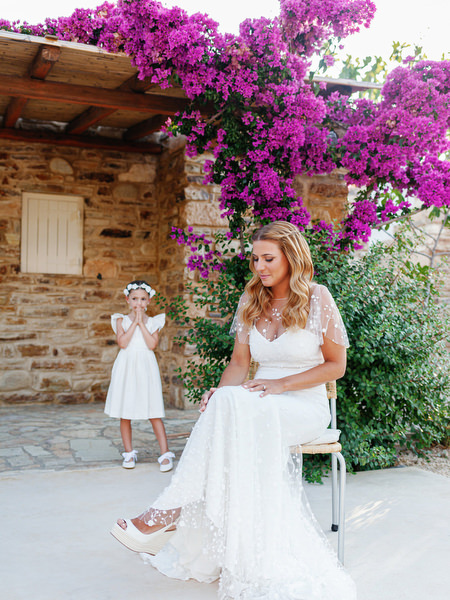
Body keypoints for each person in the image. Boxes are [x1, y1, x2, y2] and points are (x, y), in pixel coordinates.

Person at [110, 223, 356, 599]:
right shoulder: (251, 299)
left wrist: (280, 385)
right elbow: (239, 365)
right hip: (255, 399)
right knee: (222, 403)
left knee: (231, 408)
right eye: (255, 258)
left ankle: (168, 513)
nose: (260, 266)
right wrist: (220, 396)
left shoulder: (318, 298)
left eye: (268, 258)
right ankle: (182, 519)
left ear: (291, 257)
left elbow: (335, 366)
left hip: (302, 404)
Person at [104, 280, 175, 472]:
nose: (139, 303)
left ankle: (165, 453)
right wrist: (133, 322)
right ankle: (128, 452)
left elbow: (152, 344)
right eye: (135, 299)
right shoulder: (120, 320)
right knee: (125, 411)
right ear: (127, 300)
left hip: (145, 366)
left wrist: (141, 323)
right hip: (127, 365)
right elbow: (123, 343)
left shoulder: (154, 322)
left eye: (143, 299)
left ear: (149, 301)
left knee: (153, 410)